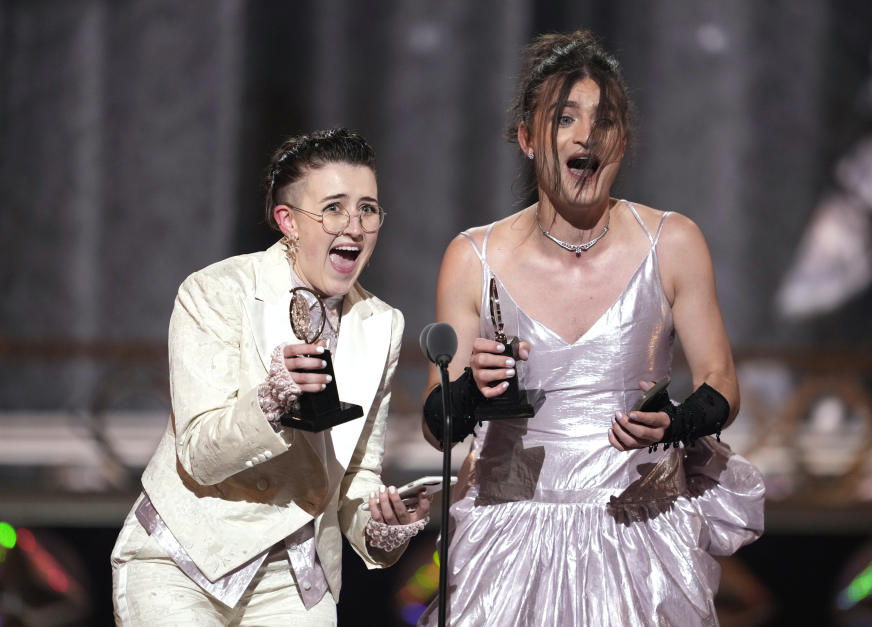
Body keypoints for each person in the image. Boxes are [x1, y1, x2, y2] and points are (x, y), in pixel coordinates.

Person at [418, 31, 765, 626]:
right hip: (511, 538)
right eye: (565, 119)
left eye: (603, 121)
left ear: (621, 142)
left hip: (640, 530)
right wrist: (474, 390)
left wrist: (678, 422)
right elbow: (436, 424)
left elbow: (721, 382)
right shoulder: (473, 256)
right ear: (528, 138)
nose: (586, 136)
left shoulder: (672, 243)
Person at [111, 128, 430, 626]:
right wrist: (270, 402)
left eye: (368, 208)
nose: (354, 225)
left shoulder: (381, 324)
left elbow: (353, 473)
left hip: (295, 573)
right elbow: (198, 452)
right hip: (185, 554)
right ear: (289, 221)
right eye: (333, 208)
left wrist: (383, 525)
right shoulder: (216, 292)